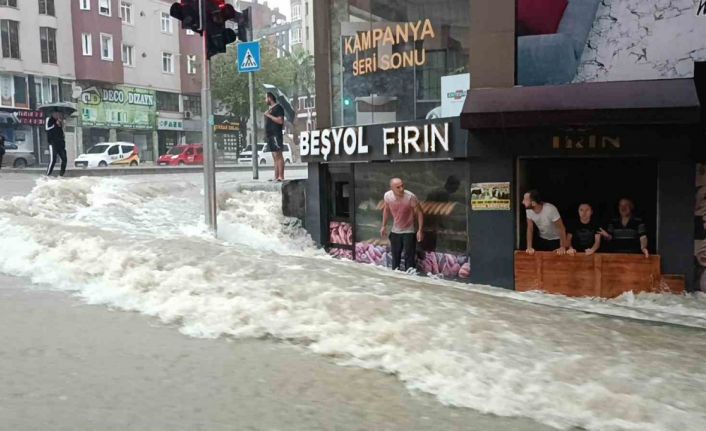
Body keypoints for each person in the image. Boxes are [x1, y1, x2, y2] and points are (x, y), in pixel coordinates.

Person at [380, 178, 424, 271]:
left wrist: (420, 230)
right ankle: (395, 280)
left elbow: (420, 212)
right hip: (395, 230)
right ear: (392, 188)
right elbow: (386, 210)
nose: (401, 189)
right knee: (395, 258)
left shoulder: (410, 197)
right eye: (398, 187)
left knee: (409, 258)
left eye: (402, 186)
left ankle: (410, 279)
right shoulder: (387, 196)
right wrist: (383, 226)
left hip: (409, 230)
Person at [523, 189, 568, 255]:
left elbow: (561, 228)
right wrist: (529, 247)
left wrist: (562, 247)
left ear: (533, 203)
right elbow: (530, 228)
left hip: (556, 239)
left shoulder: (550, 209)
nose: (523, 202)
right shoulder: (529, 210)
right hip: (542, 238)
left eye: (525, 200)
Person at [263, 92, 285, 182]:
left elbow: (280, 121)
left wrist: (269, 115)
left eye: (265, 98)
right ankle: (276, 176)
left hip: (276, 134)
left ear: (270, 98)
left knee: (278, 155)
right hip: (270, 135)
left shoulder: (278, 108)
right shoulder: (270, 109)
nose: (265, 100)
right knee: (274, 156)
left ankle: (281, 176)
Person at [45, 111, 67, 177]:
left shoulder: (60, 121)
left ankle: (61, 175)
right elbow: (47, 128)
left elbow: (62, 132)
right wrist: (55, 124)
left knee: (64, 159)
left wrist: (62, 124)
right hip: (53, 143)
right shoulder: (49, 119)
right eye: (56, 114)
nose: (58, 115)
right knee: (53, 160)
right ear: (53, 114)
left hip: (61, 144)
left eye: (59, 114)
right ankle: (48, 175)